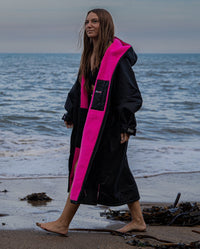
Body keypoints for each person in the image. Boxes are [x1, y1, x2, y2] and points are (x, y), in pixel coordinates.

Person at [36, 8, 146, 235]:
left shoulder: (117, 56)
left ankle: (63, 223)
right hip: (91, 123)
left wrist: (127, 124)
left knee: (82, 168)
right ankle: (138, 221)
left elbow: (130, 93)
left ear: (105, 24)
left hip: (112, 124)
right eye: (87, 21)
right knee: (120, 170)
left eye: (95, 21)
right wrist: (71, 112)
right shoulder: (90, 54)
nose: (89, 25)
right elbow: (81, 88)